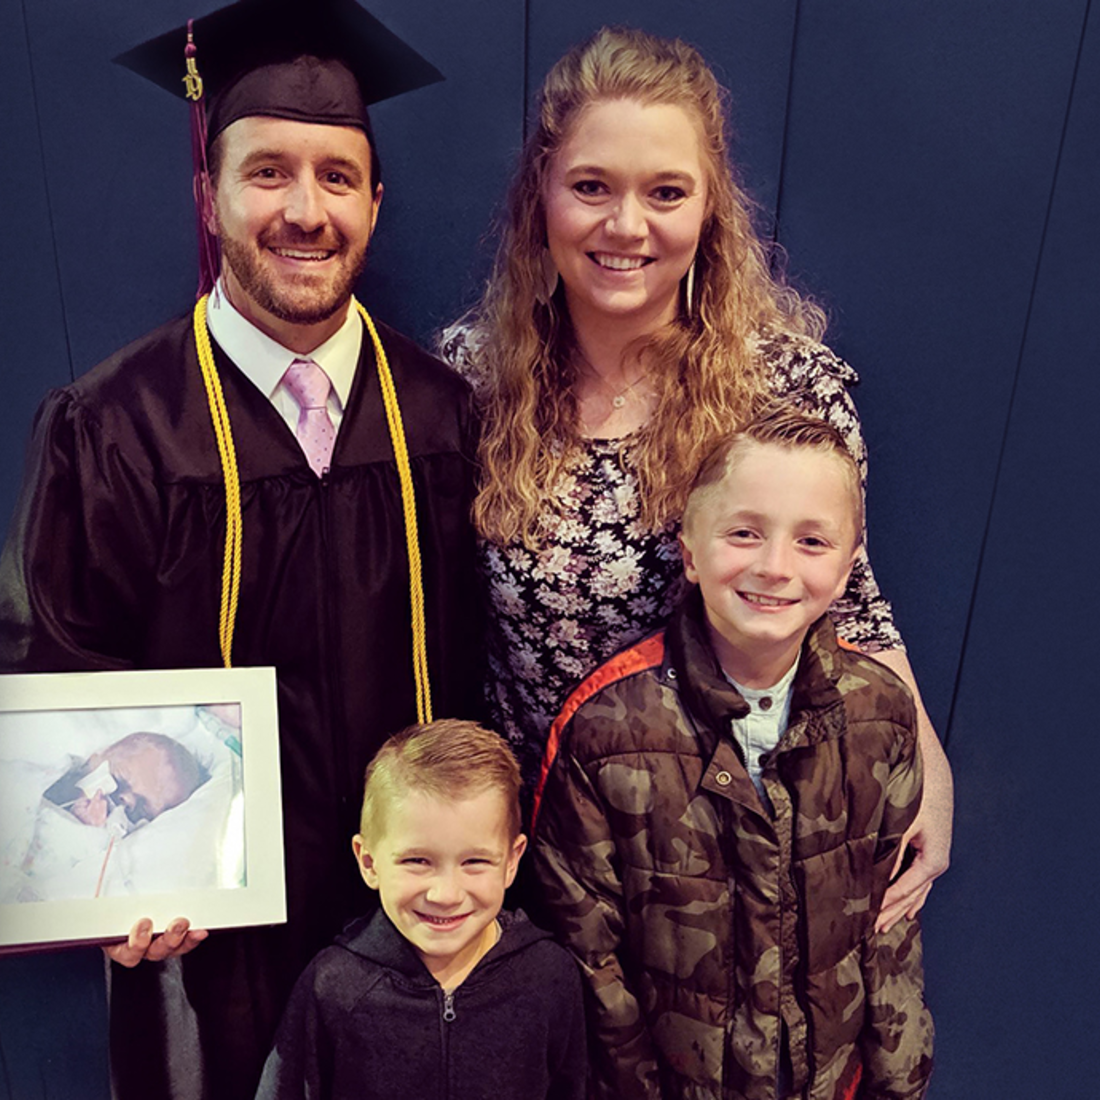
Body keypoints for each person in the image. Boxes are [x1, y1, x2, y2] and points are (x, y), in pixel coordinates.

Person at [0, 2, 480, 1096]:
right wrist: (98, 885)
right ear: (208, 196)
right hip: (204, 949)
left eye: (336, 176)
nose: (304, 210)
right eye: (267, 172)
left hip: (417, 923)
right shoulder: (111, 426)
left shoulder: (445, 417)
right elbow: (52, 669)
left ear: (374, 203)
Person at [442, 25, 950, 927]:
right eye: (591, 186)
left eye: (666, 192)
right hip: (526, 852)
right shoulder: (470, 380)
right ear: (541, 201)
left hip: (716, 856)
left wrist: (928, 770)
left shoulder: (783, 387)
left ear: (711, 207)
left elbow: (851, 602)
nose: (626, 225)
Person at [533, 408, 934, 1100]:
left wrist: (898, 1086)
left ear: (846, 572)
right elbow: (589, 960)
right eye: (744, 532)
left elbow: (890, 930)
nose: (774, 567)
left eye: (812, 541)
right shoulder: (608, 730)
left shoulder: (882, 715)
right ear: (690, 551)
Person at [256, 719, 586, 1100]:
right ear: (369, 862)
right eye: (417, 861)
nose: (445, 894)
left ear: (511, 862)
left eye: (475, 862)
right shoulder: (331, 986)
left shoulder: (549, 976)